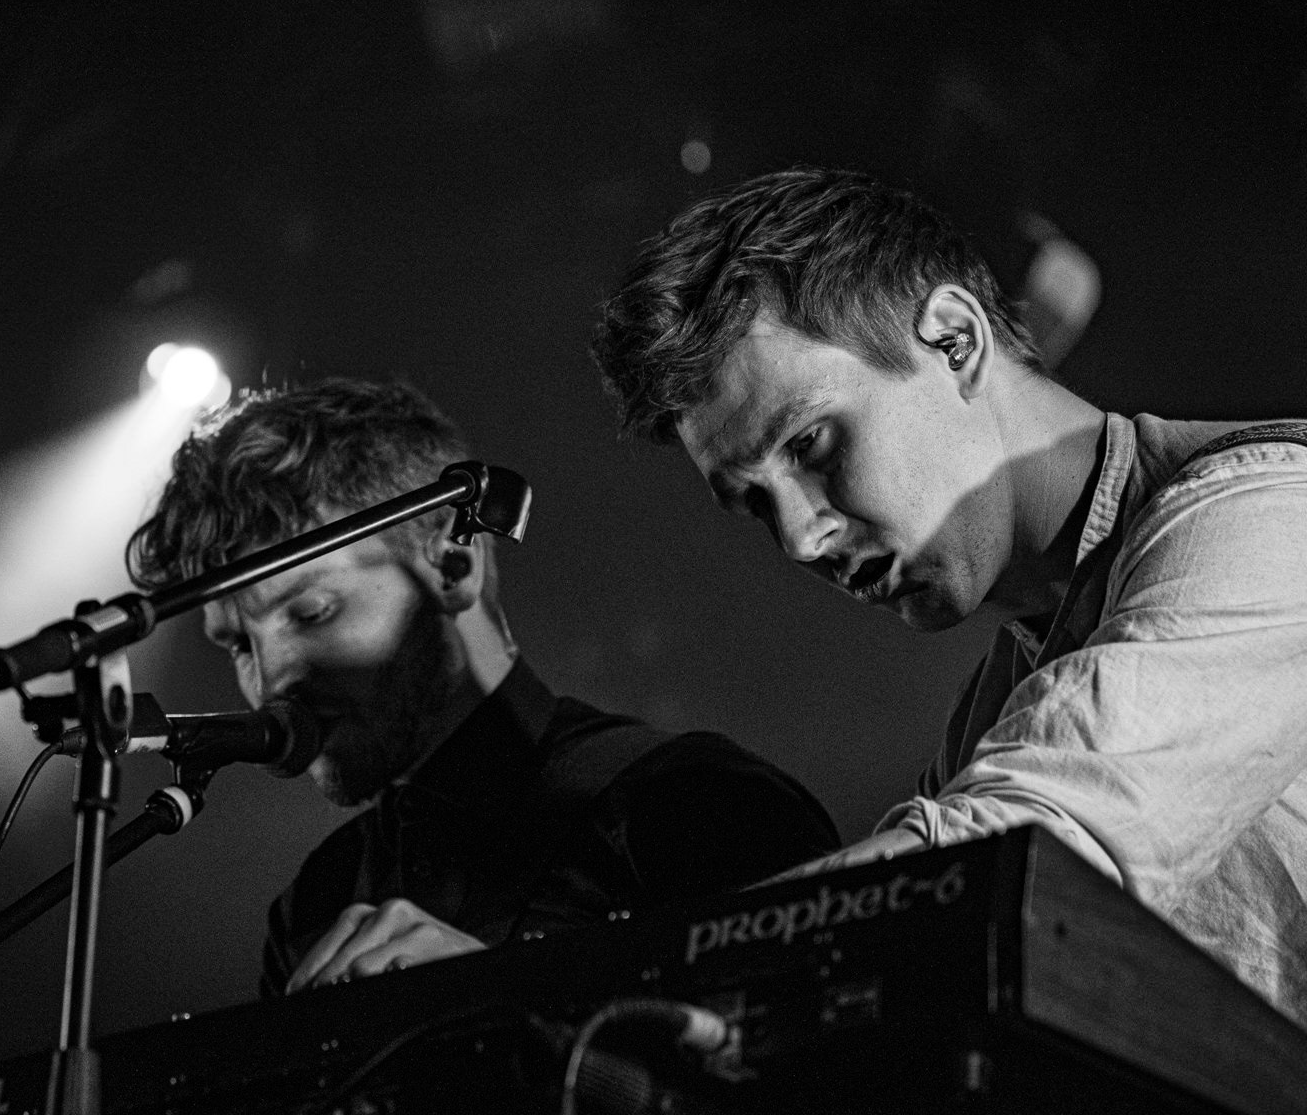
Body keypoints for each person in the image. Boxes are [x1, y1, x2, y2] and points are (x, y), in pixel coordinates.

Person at [591, 166, 1307, 1025]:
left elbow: (1012, 861)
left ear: (954, 339)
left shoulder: (1272, 509)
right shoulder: (1004, 695)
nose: (798, 538)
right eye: (752, 501)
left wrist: (586, 995)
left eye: (812, 444)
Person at [125, 378, 841, 997]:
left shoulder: (694, 801)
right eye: (238, 645)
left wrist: (519, 1013)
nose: (273, 676)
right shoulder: (319, 896)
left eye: (311, 610)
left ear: (453, 564)